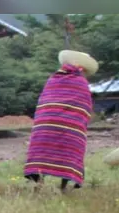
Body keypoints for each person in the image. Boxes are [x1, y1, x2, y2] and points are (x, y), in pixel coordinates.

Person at [24, 50, 97, 193]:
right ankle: (63, 187)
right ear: (81, 68)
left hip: (46, 125)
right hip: (70, 128)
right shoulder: (81, 82)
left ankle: (38, 184)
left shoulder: (53, 79)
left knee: (42, 152)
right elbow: (84, 107)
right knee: (69, 152)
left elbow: (45, 102)